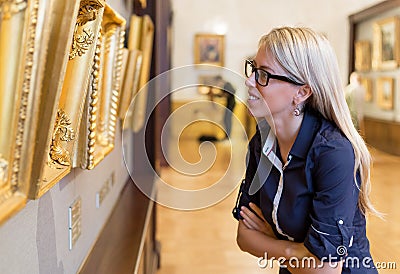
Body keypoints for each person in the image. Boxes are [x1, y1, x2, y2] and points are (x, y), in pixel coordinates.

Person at [232, 26, 380, 273]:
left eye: (263, 75)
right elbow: (245, 236)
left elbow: (326, 270)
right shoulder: (262, 140)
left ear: (301, 92)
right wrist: (292, 250)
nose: (249, 81)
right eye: (252, 69)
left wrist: (273, 242)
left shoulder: (333, 152)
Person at [214, 75, 236, 140]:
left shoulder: (227, 84)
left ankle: (228, 136)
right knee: (226, 119)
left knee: (227, 119)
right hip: (229, 103)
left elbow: (232, 91)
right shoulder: (225, 85)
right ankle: (227, 135)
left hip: (231, 104)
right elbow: (223, 94)